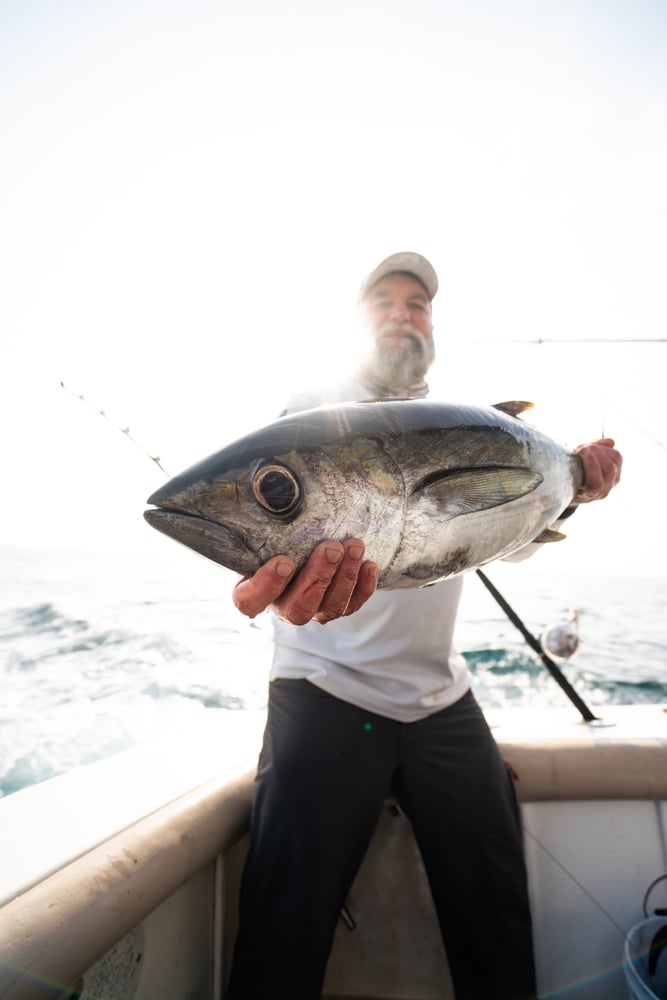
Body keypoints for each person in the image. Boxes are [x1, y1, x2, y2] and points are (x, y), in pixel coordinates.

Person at [226, 252, 623, 1000]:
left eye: (418, 304)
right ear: (358, 320)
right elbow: (264, 517)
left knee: (496, 913)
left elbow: (503, 538)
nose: (404, 313)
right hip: (323, 692)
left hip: (442, 702)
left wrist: (573, 488)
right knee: (285, 923)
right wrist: (266, 584)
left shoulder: (470, 424)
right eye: (385, 300)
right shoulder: (314, 411)